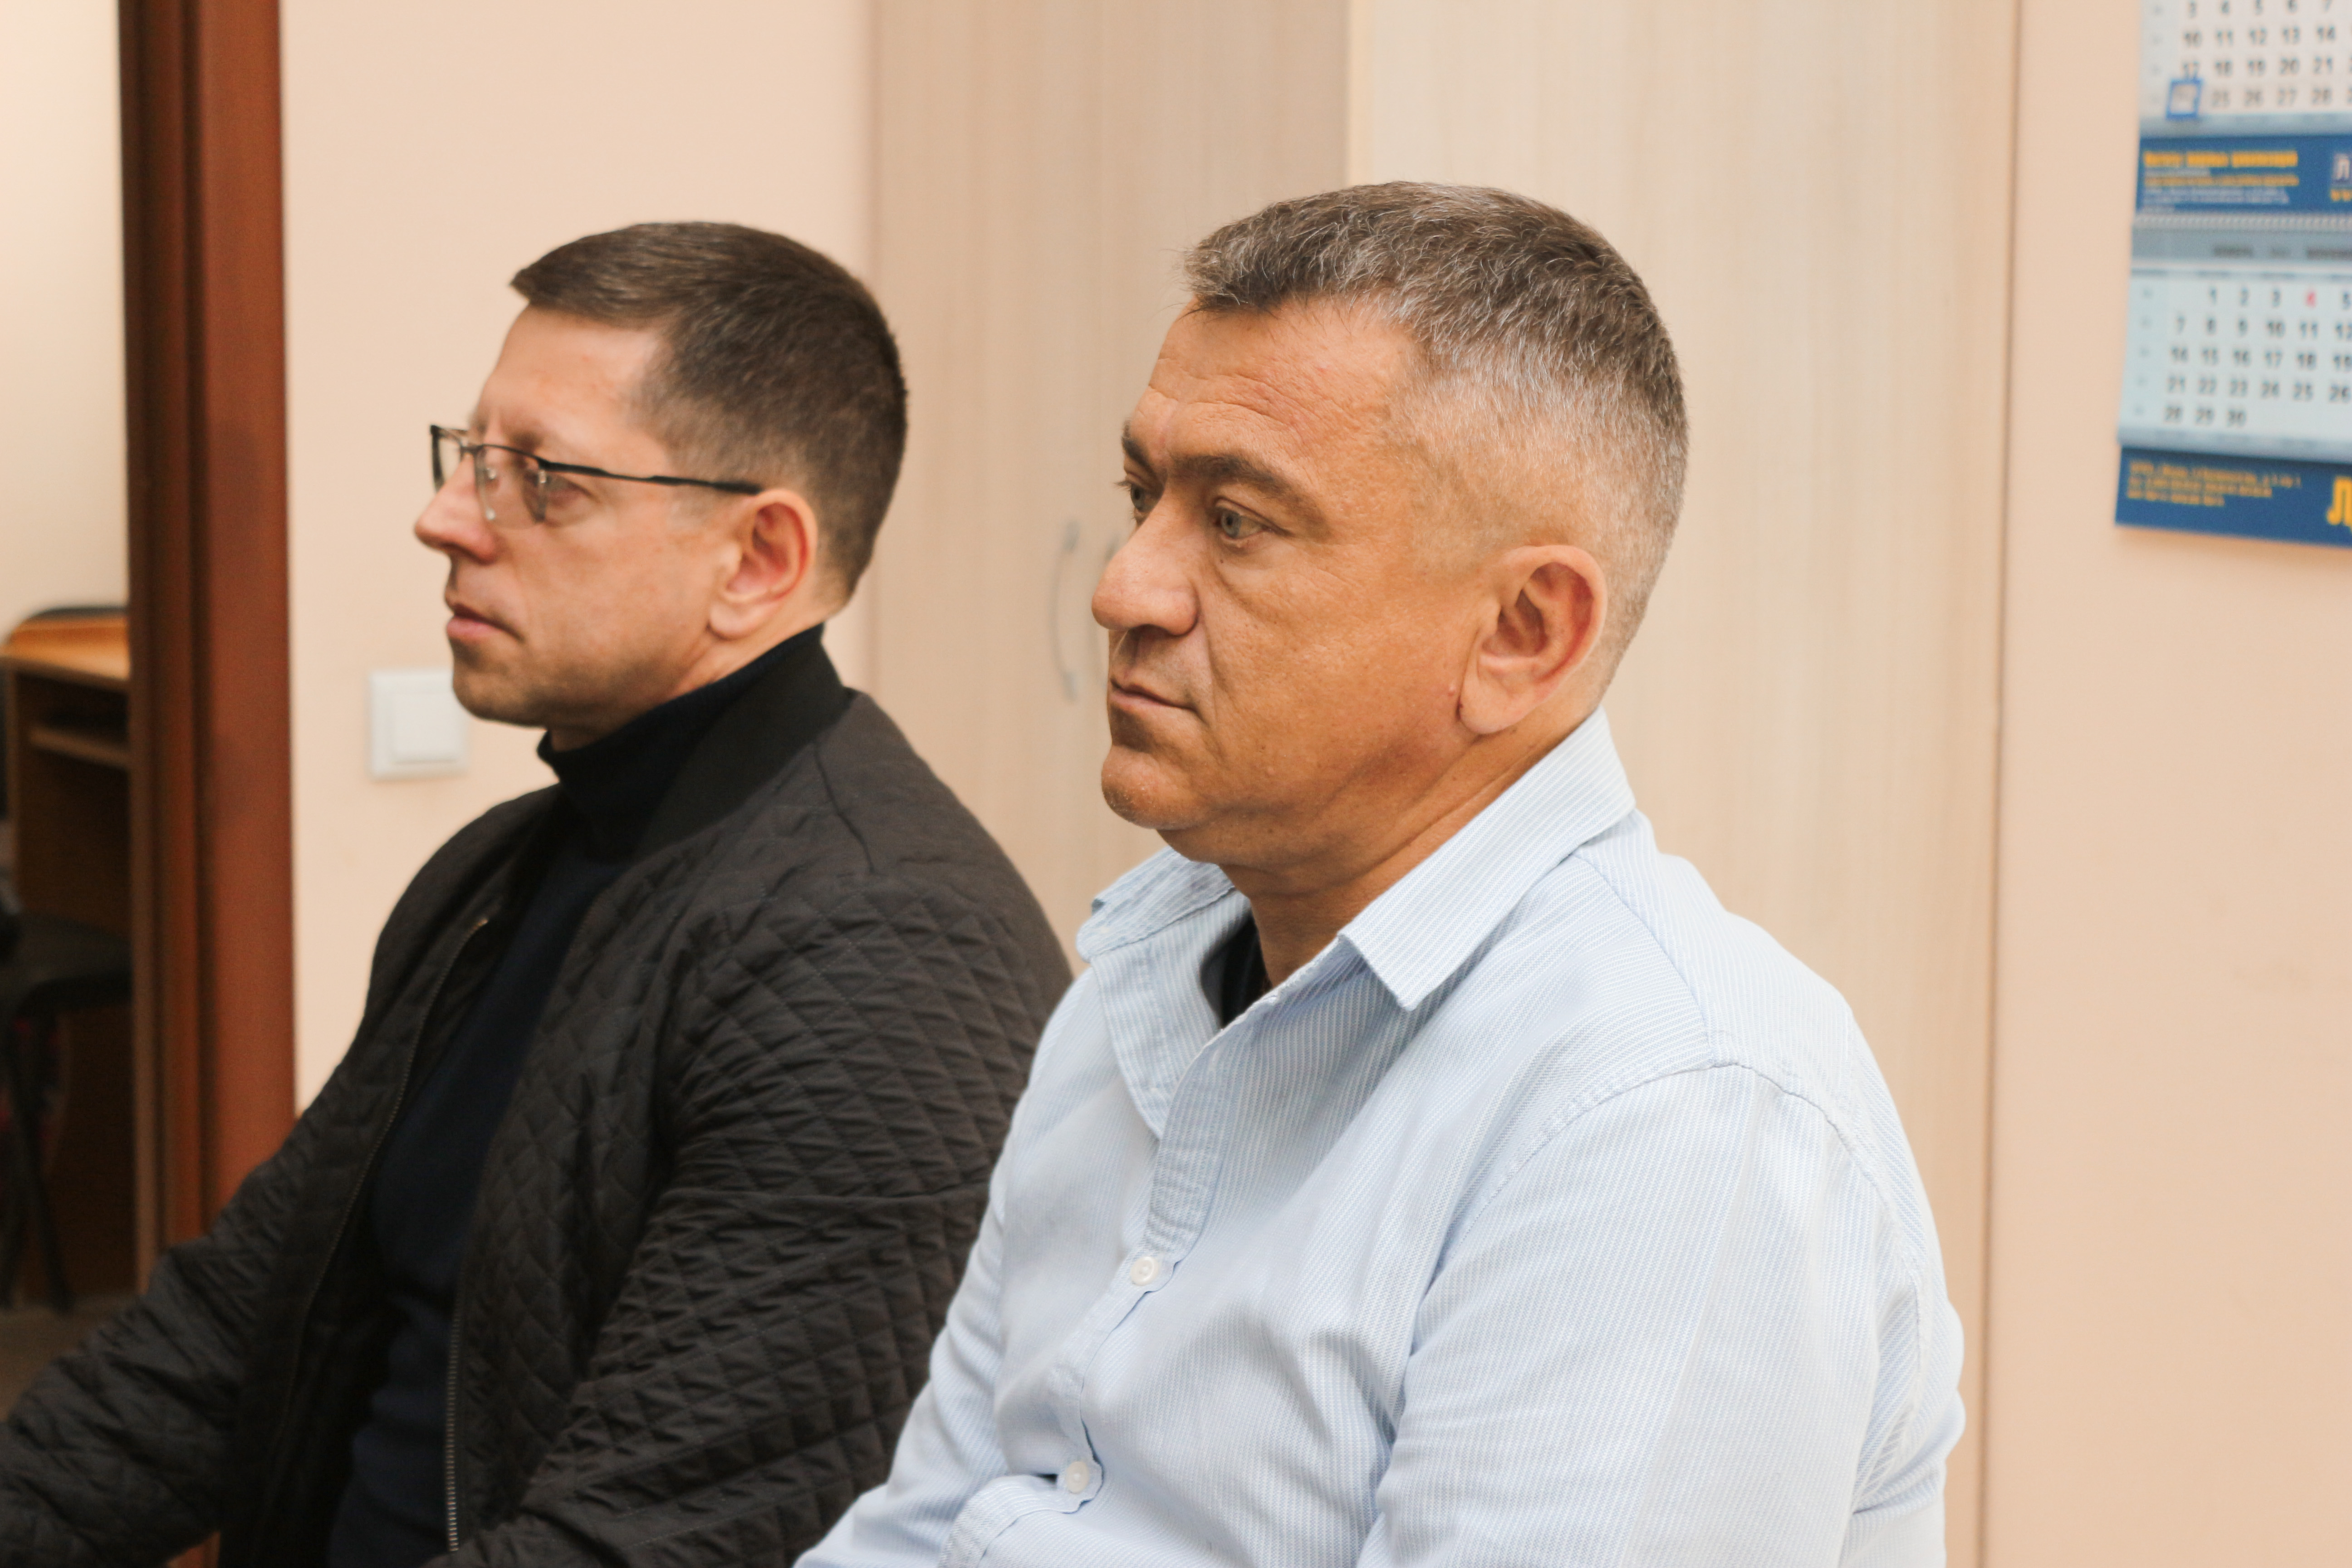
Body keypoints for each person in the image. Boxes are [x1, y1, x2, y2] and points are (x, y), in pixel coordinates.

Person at [804, 184, 1966, 1568]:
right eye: (1143, 497)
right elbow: (925, 1528)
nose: (1125, 588)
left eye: (1239, 523)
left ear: (1522, 634)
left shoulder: (1667, 1109)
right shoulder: (1144, 974)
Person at [0, 222, 1070, 1566]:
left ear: (756, 560)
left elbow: (642, 1546)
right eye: (470, 456)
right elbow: (227, 1337)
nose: (447, 517)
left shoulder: (880, 956)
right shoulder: (501, 869)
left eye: (540, 481)